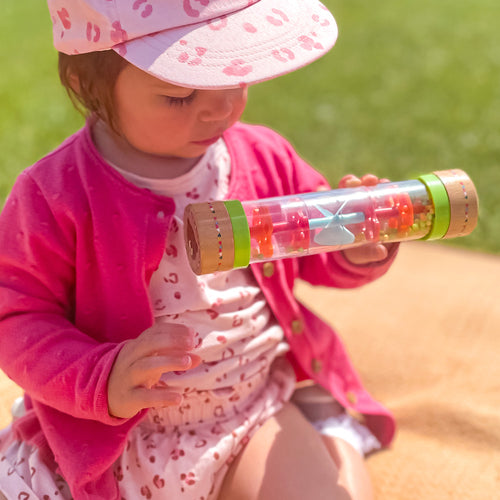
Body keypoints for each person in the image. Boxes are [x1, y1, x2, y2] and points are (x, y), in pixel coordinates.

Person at [0, 1, 398, 499]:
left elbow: (312, 250)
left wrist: (352, 251)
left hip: (248, 413)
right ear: (86, 85)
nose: (219, 109)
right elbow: (16, 314)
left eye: (233, 79)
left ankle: (325, 437)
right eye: (180, 94)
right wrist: (100, 378)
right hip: (111, 434)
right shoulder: (54, 193)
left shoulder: (262, 158)